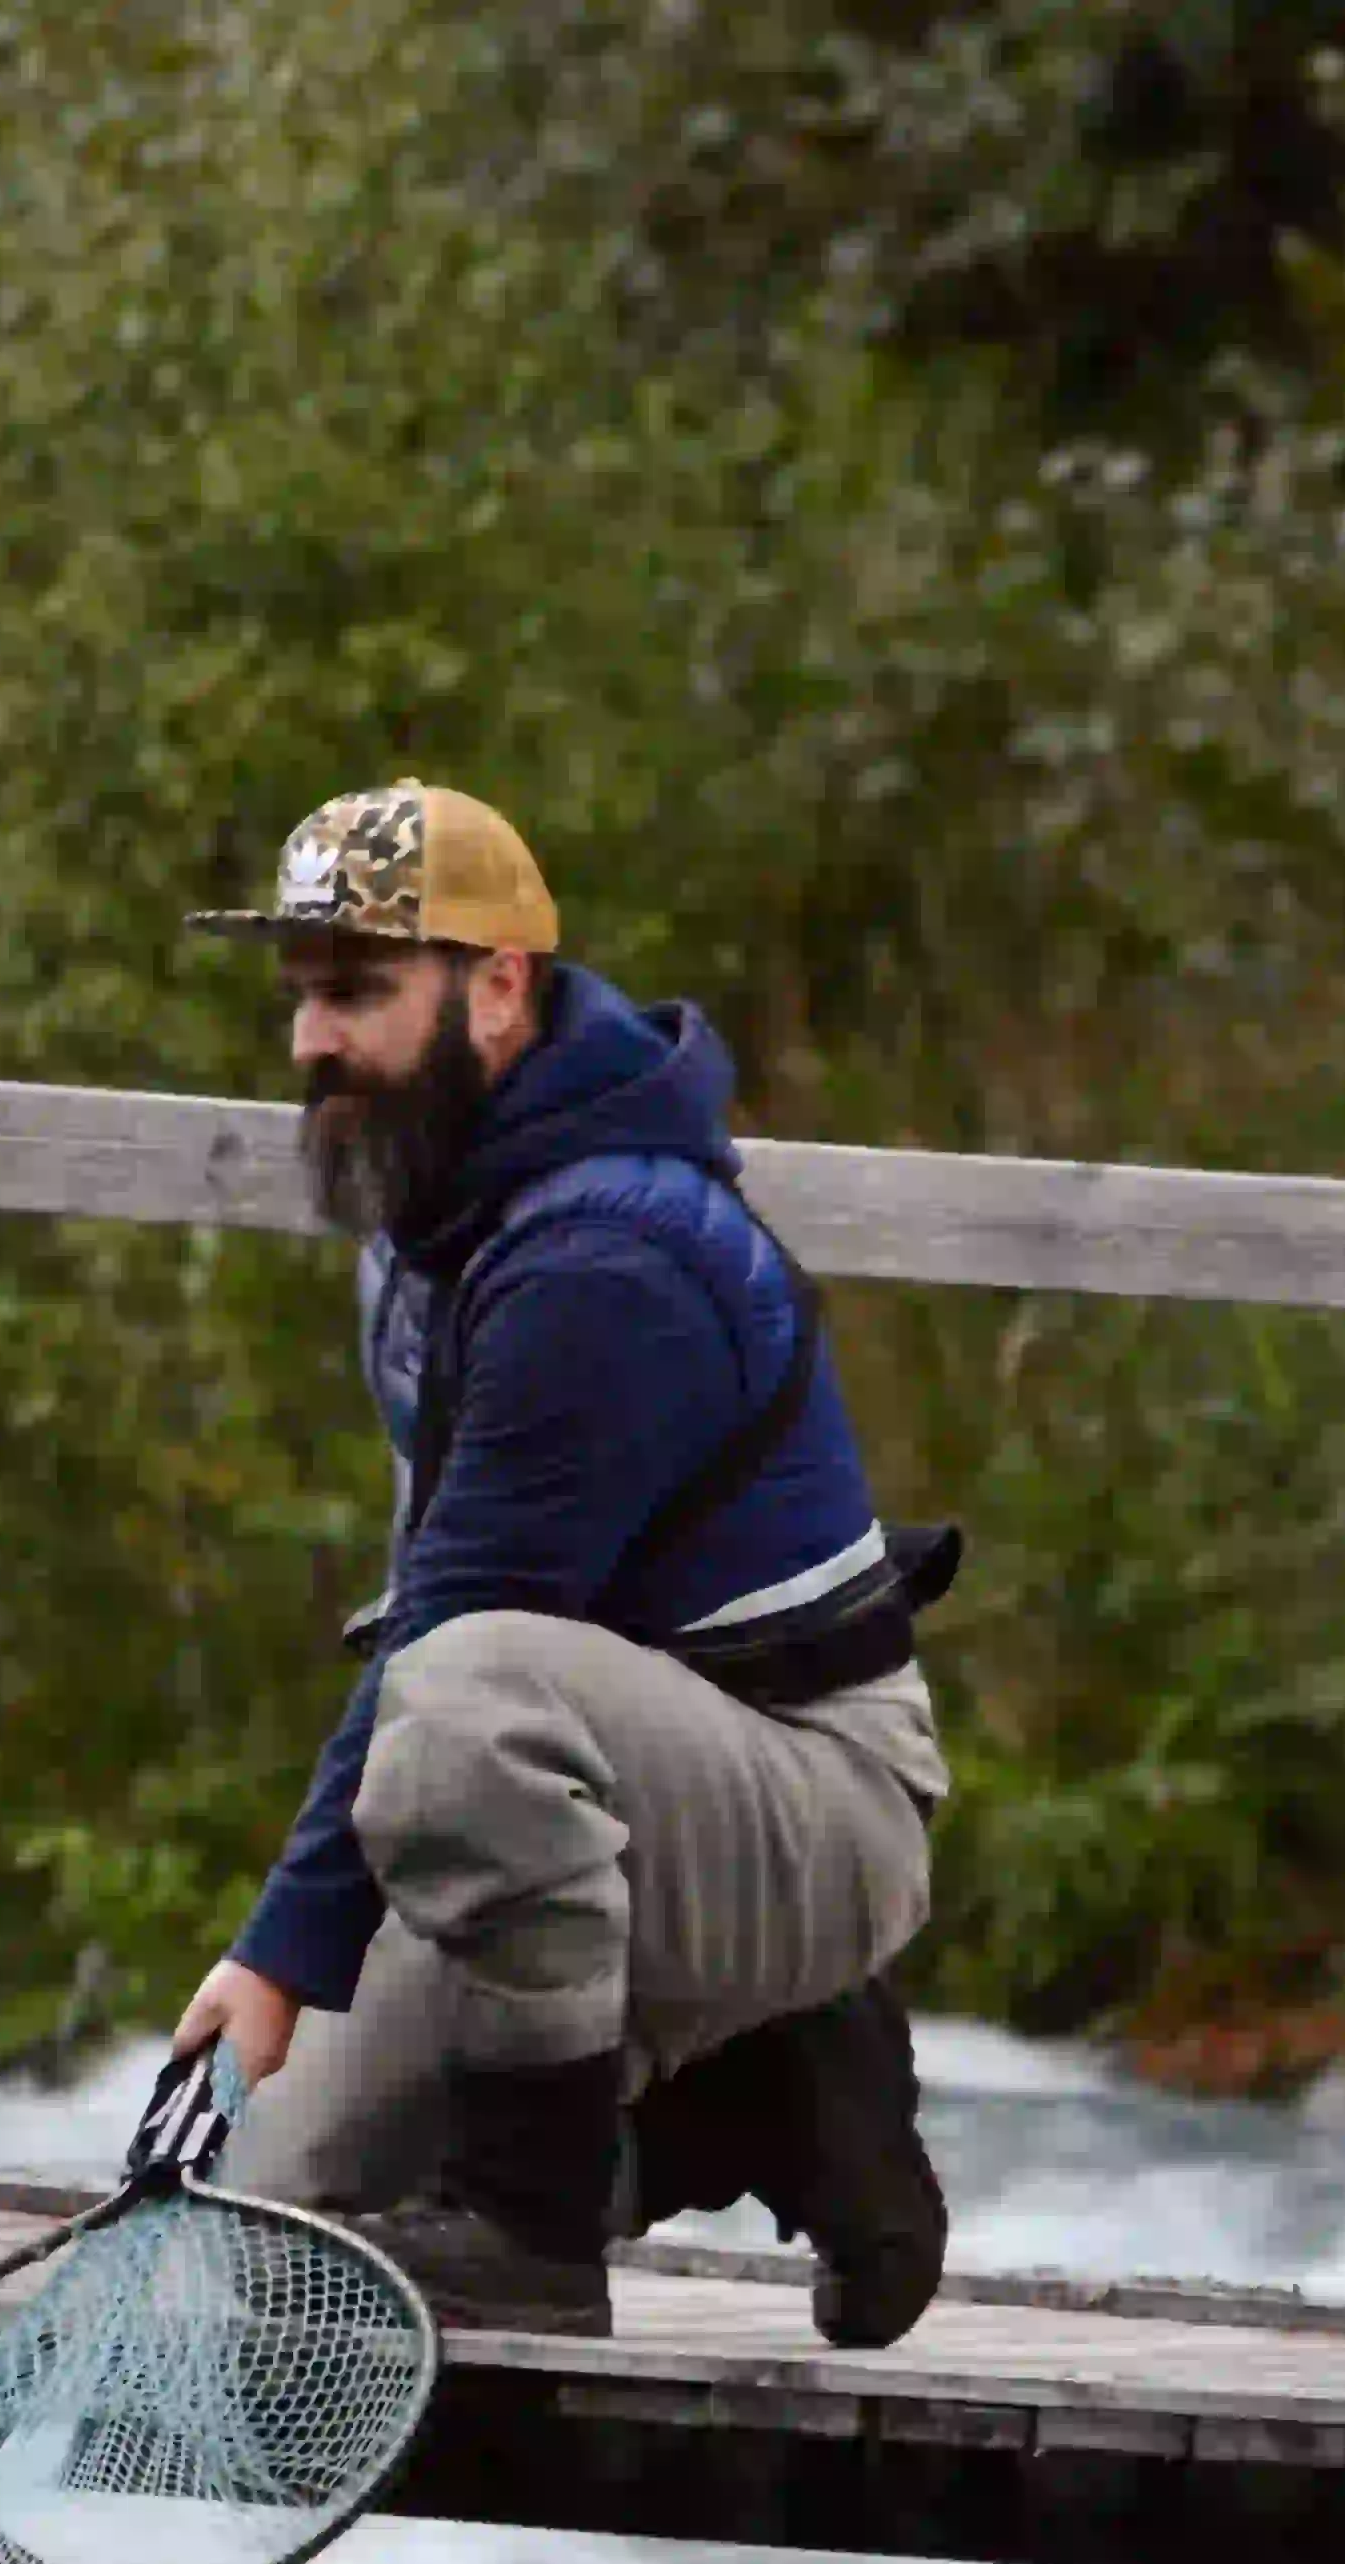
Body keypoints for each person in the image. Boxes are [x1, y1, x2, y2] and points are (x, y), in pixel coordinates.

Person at [173, 779, 955, 2341]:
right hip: (603, 1797)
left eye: (357, 993)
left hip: (814, 1794)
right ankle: (748, 2088)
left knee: (461, 1695)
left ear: (502, 986)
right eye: (301, 998)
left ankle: (537, 2235)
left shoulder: (604, 1258)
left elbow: (457, 1649)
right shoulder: (431, 1202)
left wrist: (278, 1954)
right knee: (283, 2236)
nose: (312, 1041)